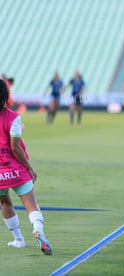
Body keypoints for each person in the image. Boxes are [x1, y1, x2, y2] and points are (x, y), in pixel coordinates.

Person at [0, 79, 52, 255]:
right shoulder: (14, 117)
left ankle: (19, 240)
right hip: (16, 170)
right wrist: (29, 166)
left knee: (5, 202)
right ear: (5, 95)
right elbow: (15, 148)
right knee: (31, 205)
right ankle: (39, 230)